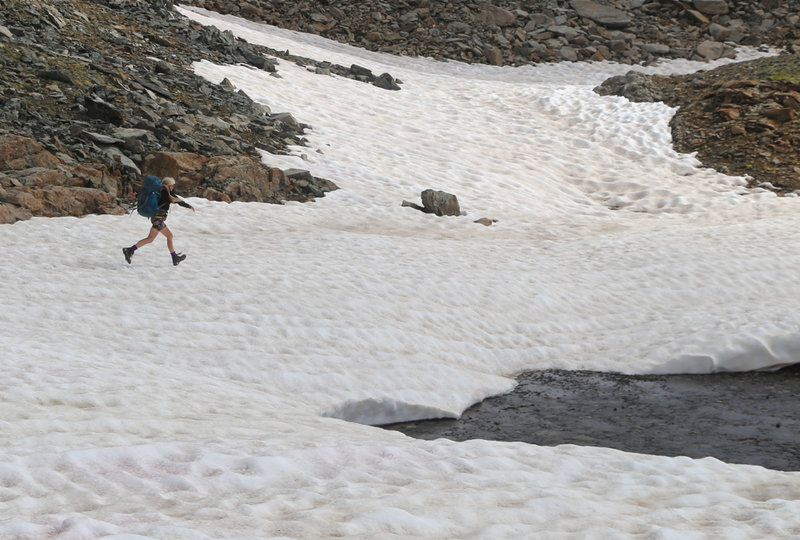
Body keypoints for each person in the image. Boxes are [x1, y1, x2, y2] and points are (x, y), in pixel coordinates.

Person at [123, 176, 195, 266]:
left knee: (160, 237)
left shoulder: (159, 191)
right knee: (158, 237)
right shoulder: (166, 191)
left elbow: (151, 198)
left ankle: (174, 258)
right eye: (172, 185)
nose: (173, 187)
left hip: (157, 218)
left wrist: (136, 195)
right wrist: (188, 206)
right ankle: (129, 250)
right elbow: (178, 201)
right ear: (168, 185)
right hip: (158, 219)